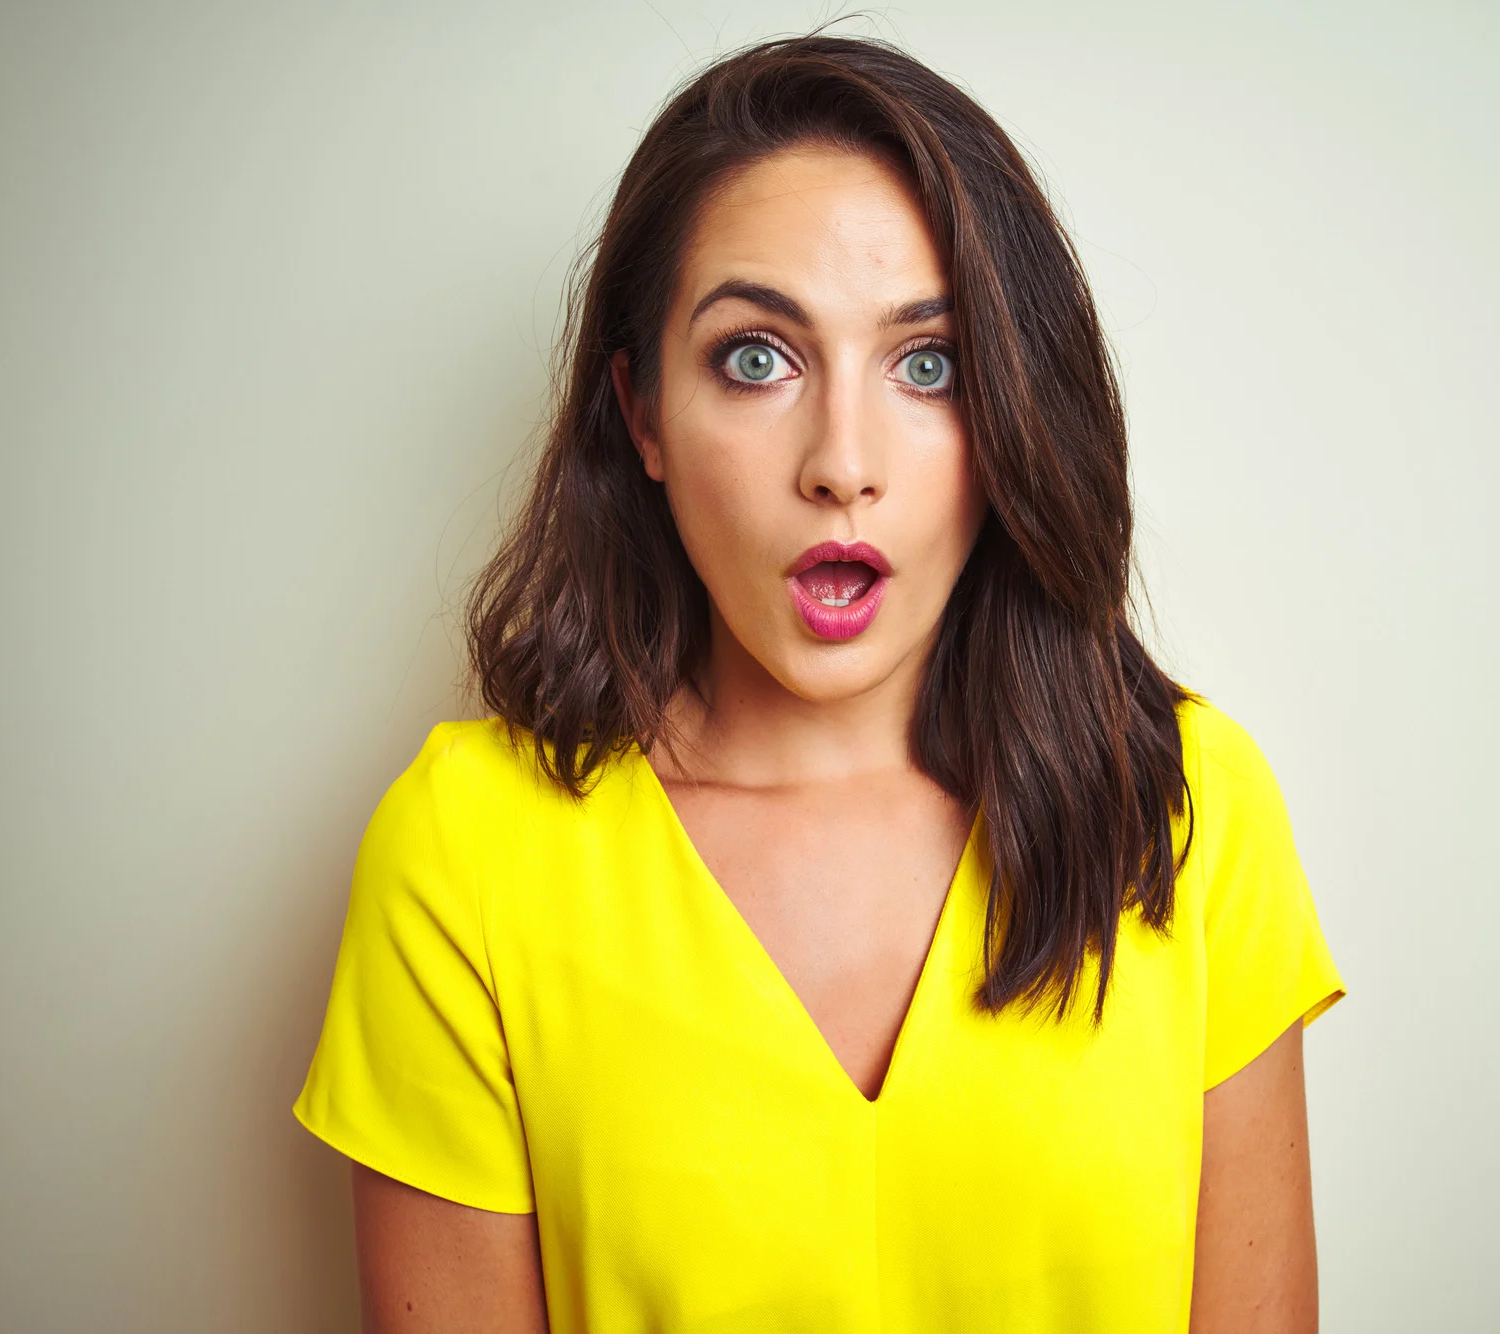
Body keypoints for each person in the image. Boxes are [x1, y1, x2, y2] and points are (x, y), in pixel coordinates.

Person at [293, 31, 1346, 1334]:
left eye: (929, 364)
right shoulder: (468, 856)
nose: (842, 462)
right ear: (642, 417)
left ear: (1013, 408)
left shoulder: (1189, 813)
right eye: (756, 358)